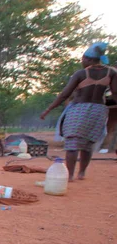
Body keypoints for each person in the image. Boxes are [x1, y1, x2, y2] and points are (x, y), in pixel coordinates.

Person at [41, 42, 117, 181]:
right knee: (88, 144)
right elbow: (115, 93)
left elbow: (64, 94)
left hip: (79, 109)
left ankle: (69, 175)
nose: (82, 61)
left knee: (72, 143)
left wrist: (48, 109)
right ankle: (81, 172)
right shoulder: (111, 72)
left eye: (83, 59)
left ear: (88, 59)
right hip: (98, 110)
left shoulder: (81, 74)